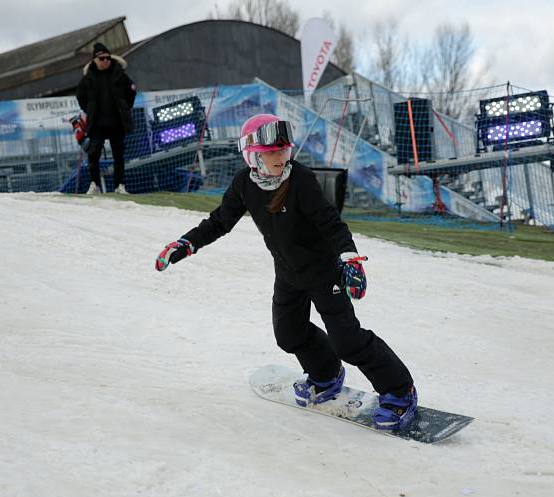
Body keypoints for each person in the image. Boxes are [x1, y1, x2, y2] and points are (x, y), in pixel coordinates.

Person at [154, 113, 418, 431]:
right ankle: (325, 374)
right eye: (271, 152)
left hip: (323, 273)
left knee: (348, 341)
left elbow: (331, 223)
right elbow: (219, 221)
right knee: (288, 335)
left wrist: (350, 261)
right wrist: (187, 243)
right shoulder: (244, 184)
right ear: (253, 155)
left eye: (283, 150)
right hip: (288, 273)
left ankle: (400, 392)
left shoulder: (300, 180)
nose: (279, 157)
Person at [76, 42, 137, 195]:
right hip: (97, 124)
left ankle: (120, 186)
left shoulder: (120, 74)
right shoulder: (88, 78)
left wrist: (125, 107)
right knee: (93, 154)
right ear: (95, 60)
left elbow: (131, 92)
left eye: (108, 58)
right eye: (102, 59)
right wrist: (89, 109)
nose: (105, 61)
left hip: (117, 123)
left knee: (119, 155)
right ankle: (94, 184)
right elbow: (80, 96)